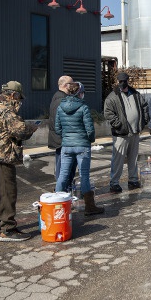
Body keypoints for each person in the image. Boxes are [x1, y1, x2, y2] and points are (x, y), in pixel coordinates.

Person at [0, 81, 38, 242]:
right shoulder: (5, 109)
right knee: (5, 191)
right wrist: (31, 127)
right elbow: (20, 130)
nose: (19, 101)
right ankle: (8, 229)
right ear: (12, 94)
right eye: (18, 97)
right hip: (0, 155)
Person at [55, 82, 103, 215]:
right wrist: (90, 140)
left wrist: (66, 137)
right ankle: (89, 207)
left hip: (66, 146)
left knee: (63, 175)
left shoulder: (60, 107)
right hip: (82, 145)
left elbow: (57, 128)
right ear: (79, 93)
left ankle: (57, 205)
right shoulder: (83, 108)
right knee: (84, 176)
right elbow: (89, 129)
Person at [104, 72, 149, 193]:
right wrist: (118, 124)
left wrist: (144, 121)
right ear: (117, 81)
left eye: (124, 81)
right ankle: (114, 183)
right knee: (118, 159)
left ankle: (133, 180)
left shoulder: (136, 94)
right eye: (120, 81)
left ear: (128, 81)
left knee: (133, 158)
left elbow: (144, 107)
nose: (122, 83)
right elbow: (108, 113)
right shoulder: (113, 96)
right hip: (121, 134)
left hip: (135, 132)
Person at [48, 75, 77, 192]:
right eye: (72, 83)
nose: (74, 85)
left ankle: (64, 191)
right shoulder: (61, 100)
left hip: (63, 140)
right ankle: (61, 193)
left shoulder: (60, 98)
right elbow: (58, 123)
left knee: (66, 169)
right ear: (65, 86)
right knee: (64, 170)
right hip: (62, 141)